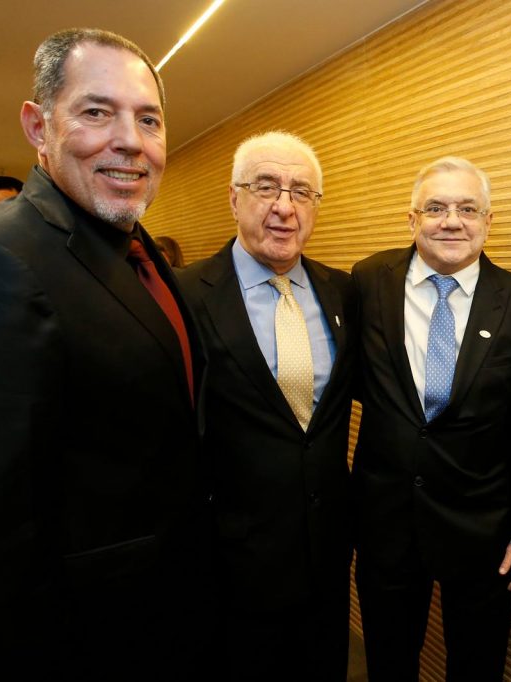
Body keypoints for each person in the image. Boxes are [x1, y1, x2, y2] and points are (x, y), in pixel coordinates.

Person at [0, 29, 207, 680]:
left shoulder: (133, 245)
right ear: (38, 126)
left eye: (148, 119)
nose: (130, 140)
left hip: (154, 620)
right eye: (97, 112)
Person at [351, 157, 511, 681]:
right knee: (388, 662)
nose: (451, 221)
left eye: (467, 209)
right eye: (435, 208)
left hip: (482, 527)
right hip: (386, 520)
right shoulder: (369, 281)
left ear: (488, 221)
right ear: (412, 219)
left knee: (477, 666)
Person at [177, 131, 356, 681]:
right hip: (231, 558)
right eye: (266, 187)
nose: (284, 206)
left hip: (326, 553)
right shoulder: (184, 295)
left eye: (301, 191)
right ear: (234, 198)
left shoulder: (344, 292)